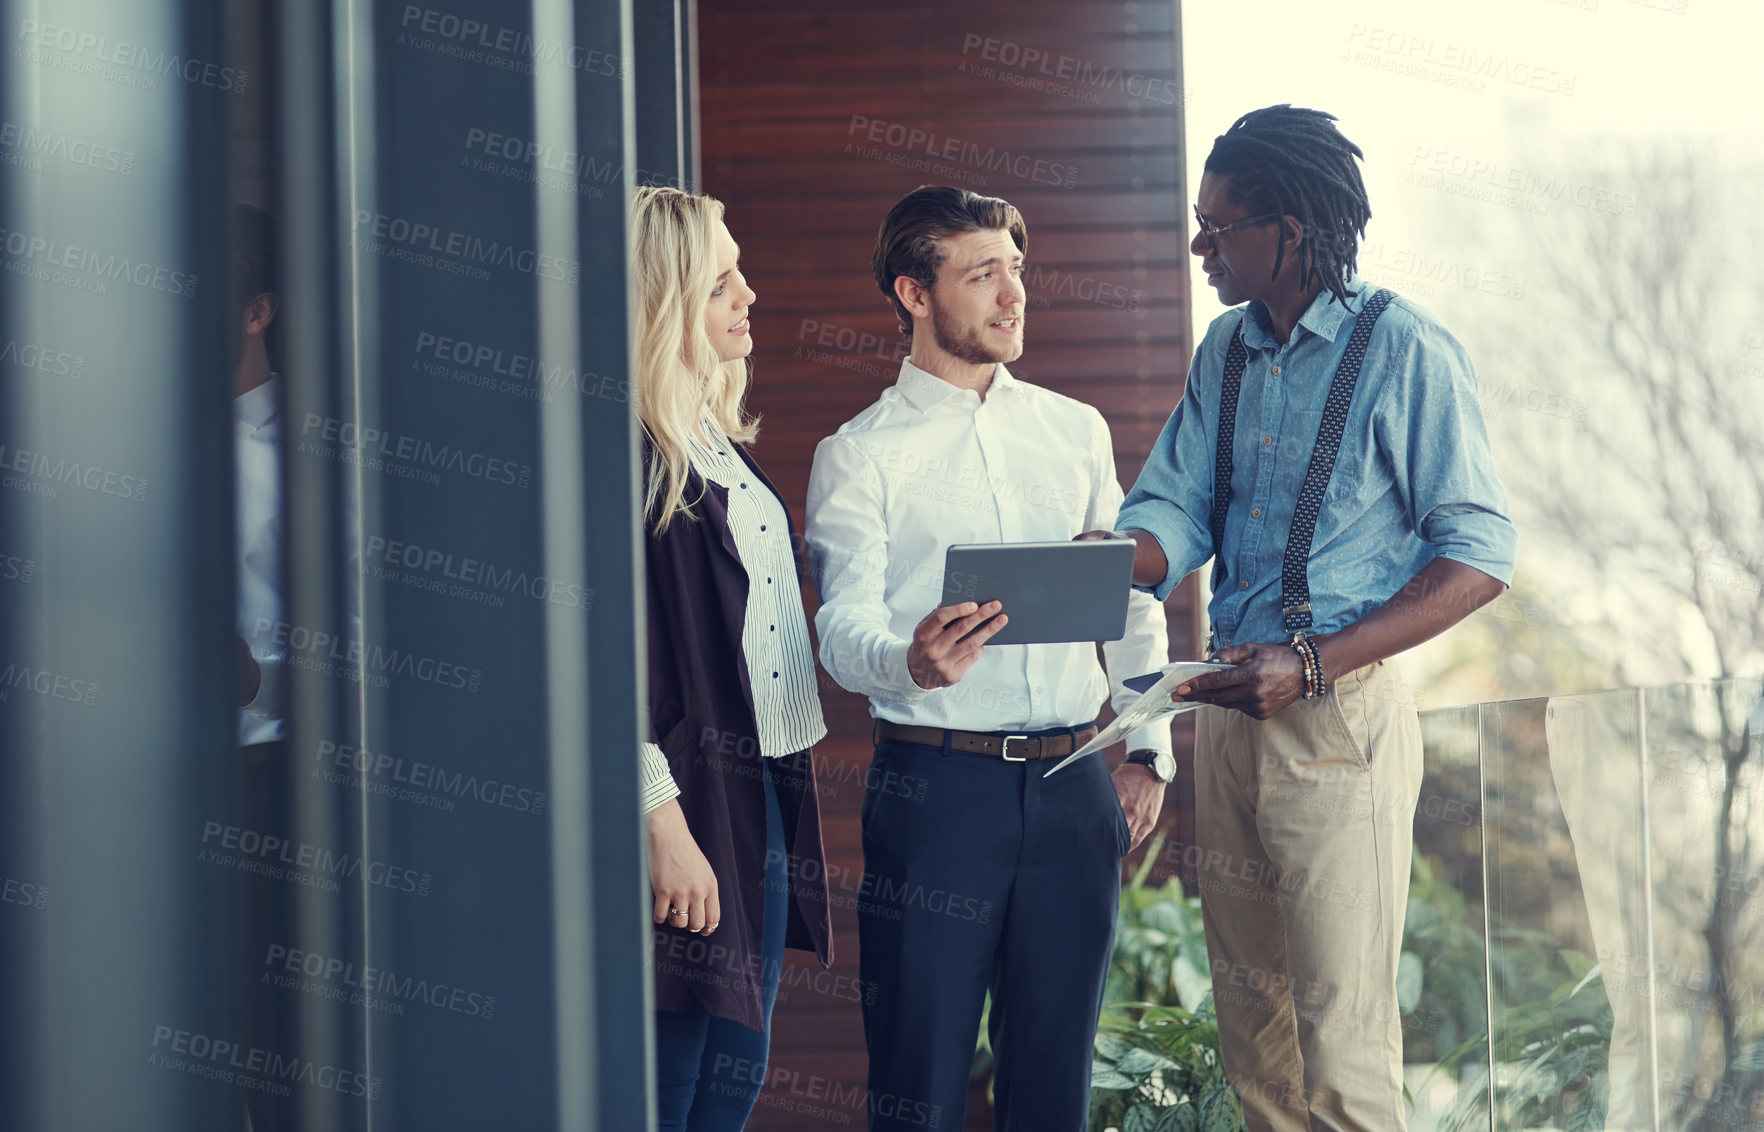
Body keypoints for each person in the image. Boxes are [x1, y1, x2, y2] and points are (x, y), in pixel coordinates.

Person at [1092, 105, 1518, 1129]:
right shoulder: (1225, 352)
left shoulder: (1406, 348)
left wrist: (1313, 663)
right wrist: (1096, 567)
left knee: (1343, 1051)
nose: (1202, 246)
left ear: (1289, 229)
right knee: (1259, 1055)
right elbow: (1172, 512)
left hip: (1343, 729)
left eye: (1219, 226)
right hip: (1230, 723)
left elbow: (1481, 556)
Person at [806, 185, 1174, 1132]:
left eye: (1015, 270)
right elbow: (839, 630)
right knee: (916, 1084)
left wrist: (1144, 753)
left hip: (1073, 788)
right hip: (935, 797)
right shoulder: (859, 456)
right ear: (914, 294)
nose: (1012, 295)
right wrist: (910, 661)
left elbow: (1130, 601)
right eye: (982, 275)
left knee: (1053, 1087)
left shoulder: (1075, 430)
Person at [631, 185, 834, 1132]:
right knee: (670, 1080)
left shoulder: (709, 438)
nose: (749, 294)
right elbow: (607, 664)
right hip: (684, 802)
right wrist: (660, 823)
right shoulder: (630, 455)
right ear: (664, 305)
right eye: (721, 284)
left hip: (757, 788)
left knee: (733, 1074)